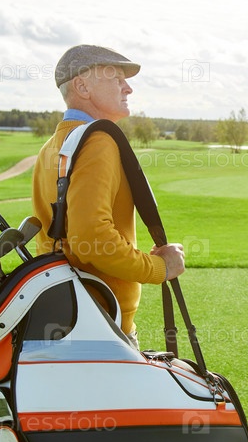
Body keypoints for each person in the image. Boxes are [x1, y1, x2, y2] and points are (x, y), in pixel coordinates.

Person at [32, 44, 185, 348]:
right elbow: (93, 238)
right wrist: (160, 268)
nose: (128, 88)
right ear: (82, 87)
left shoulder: (52, 146)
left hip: (67, 315)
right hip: (101, 325)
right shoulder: (98, 141)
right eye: (116, 78)